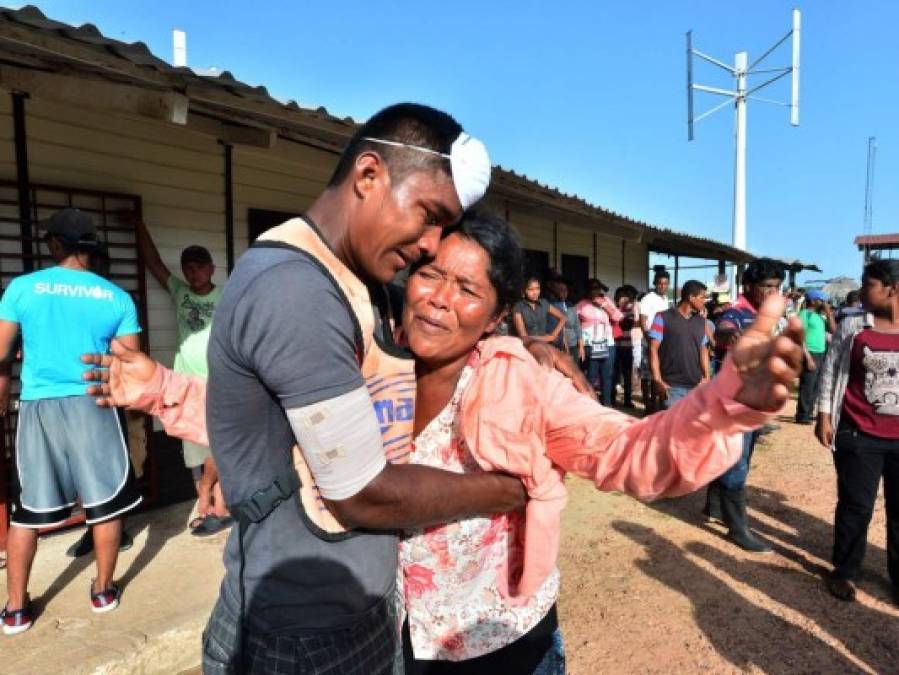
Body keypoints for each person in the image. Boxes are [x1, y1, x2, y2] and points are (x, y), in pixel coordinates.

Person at [84, 212, 804, 672]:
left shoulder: (523, 385)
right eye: (429, 273)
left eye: (467, 289)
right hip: (382, 640)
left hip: (499, 643)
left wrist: (724, 400)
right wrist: (155, 387)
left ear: (494, 314)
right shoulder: (359, 365)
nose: (438, 296)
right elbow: (267, 426)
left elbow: (631, 451)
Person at [0, 208, 143, 636]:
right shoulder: (115, 297)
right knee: (106, 504)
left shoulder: (23, 289)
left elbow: (1, 352)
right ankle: (102, 590)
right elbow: (129, 363)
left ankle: (16, 609)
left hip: (40, 407)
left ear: (55, 245)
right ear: (89, 246)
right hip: (94, 403)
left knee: (28, 512)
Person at [134, 217, 229, 536]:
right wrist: (139, 225)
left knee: (218, 445)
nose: (194, 273)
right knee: (194, 449)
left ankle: (214, 503)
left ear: (212, 269)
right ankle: (210, 502)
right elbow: (153, 262)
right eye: (189, 267)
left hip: (218, 384)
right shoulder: (179, 291)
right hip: (185, 386)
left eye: (200, 267)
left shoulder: (228, 297)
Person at [816, 259, 899, 605]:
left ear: (892, 289)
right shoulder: (853, 327)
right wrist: (823, 414)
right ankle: (845, 571)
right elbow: (831, 370)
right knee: (856, 506)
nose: (863, 292)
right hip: (859, 433)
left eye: (870, 285)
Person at [704, 258, 786, 553]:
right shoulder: (737, 313)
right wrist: (730, 335)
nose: (772, 292)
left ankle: (713, 507)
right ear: (749, 287)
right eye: (766, 286)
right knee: (737, 464)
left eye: (776, 286)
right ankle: (738, 529)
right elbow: (724, 329)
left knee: (739, 457)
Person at [648, 280, 710, 408]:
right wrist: (657, 380)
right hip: (672, 387)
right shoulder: (663, 317)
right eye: (702, 297)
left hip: (696, 386)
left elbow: (703, 350)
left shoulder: (701, 322)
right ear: (691, 297)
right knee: (672, 427)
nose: (705, 300)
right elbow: (653, 349)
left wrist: (706, 377)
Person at [577, 279, 622, 406]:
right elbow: (574, 323)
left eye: (597, 288)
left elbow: (618, 317)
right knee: (591, 376)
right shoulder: (581, 304)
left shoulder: (607, 301)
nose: (594, 291)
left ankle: (606, 405)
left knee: (607, 376)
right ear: (587, 290)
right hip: (590, 344)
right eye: (591, 288)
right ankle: (590, 405)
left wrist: (604, 305)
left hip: (607, 343)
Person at [796, 289, 834, 424]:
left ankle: (809, 412)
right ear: (813, 301)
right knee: (808, 384)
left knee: (817, 385)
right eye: (821, 300)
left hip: (822, 352)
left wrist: (828, 313)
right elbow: (800, 337)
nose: (823, 303)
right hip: (810, 352)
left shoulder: (820, 316)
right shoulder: (804, 314)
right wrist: (808, 358)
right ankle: (802, 414)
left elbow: (833, 330)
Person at [639, 271, 671, 413]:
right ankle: (648, 404)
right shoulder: (648, 298)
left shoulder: (665, 299)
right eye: (660, 283)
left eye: (665, 284)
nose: (662, 286)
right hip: (650, 340)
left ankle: (655, 402)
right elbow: (643, 320)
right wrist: (648, 339)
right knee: (647, 374)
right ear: (655, 284)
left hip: (662, 342)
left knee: (657, 372)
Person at [512, 277, 566, 344]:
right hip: (529, 347)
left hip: (545, 345)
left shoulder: (544, 303)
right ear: (524, 291)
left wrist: (553, 335)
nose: (535, 292)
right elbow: (524, 338)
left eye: (537, 288)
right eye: (531, 289)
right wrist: (546, 338)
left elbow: (563, 317)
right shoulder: (518, 307)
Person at [612, 285, 639, 407]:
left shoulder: (631, 308)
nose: (622, 299)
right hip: (614, 346)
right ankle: (612, 398)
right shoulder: (612, 308)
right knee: (614, 373)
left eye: (625, 297)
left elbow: (627, 324)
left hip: (627, 346)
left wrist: (617, 317)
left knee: (627, 375)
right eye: (620, 296)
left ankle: (627, 400)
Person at [547, 279, 584, 362]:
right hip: (558, 344)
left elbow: (577, 325)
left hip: (573, 345)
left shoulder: (570, 305)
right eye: (560, 290)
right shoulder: (551, 306)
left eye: (565, 290)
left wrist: (581, 345)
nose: (563, 292)